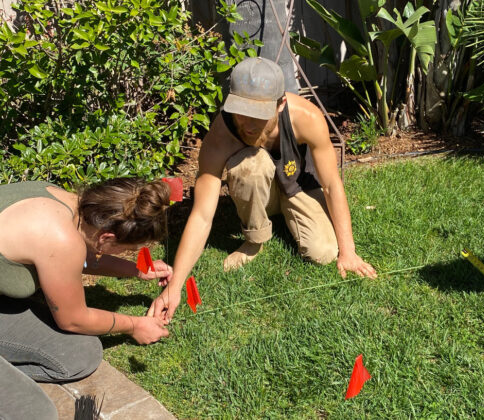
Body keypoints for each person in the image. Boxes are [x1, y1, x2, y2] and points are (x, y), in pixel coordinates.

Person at [148, 57, 376, 322]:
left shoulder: (308, 118)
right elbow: (201, 214)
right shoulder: (221, 135)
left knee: (324, 253)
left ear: (280, 105)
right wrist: (175, 287)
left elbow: (331, 185)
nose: (247, 123)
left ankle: (286, 218)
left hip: (298, 185)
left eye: (257, 114)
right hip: (259, 186)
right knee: (248, 167)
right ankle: (255, 240)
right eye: (240, 111)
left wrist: (348, 251)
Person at [0, 178, 173, 420]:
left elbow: (75, 257)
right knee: (36, 413)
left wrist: (134, 269)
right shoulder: (60, 239)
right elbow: (73, 320)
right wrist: (136, 325)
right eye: (127, 249)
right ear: (106, 238)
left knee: (78, 354)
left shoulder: (59, 197)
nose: (126, 253)